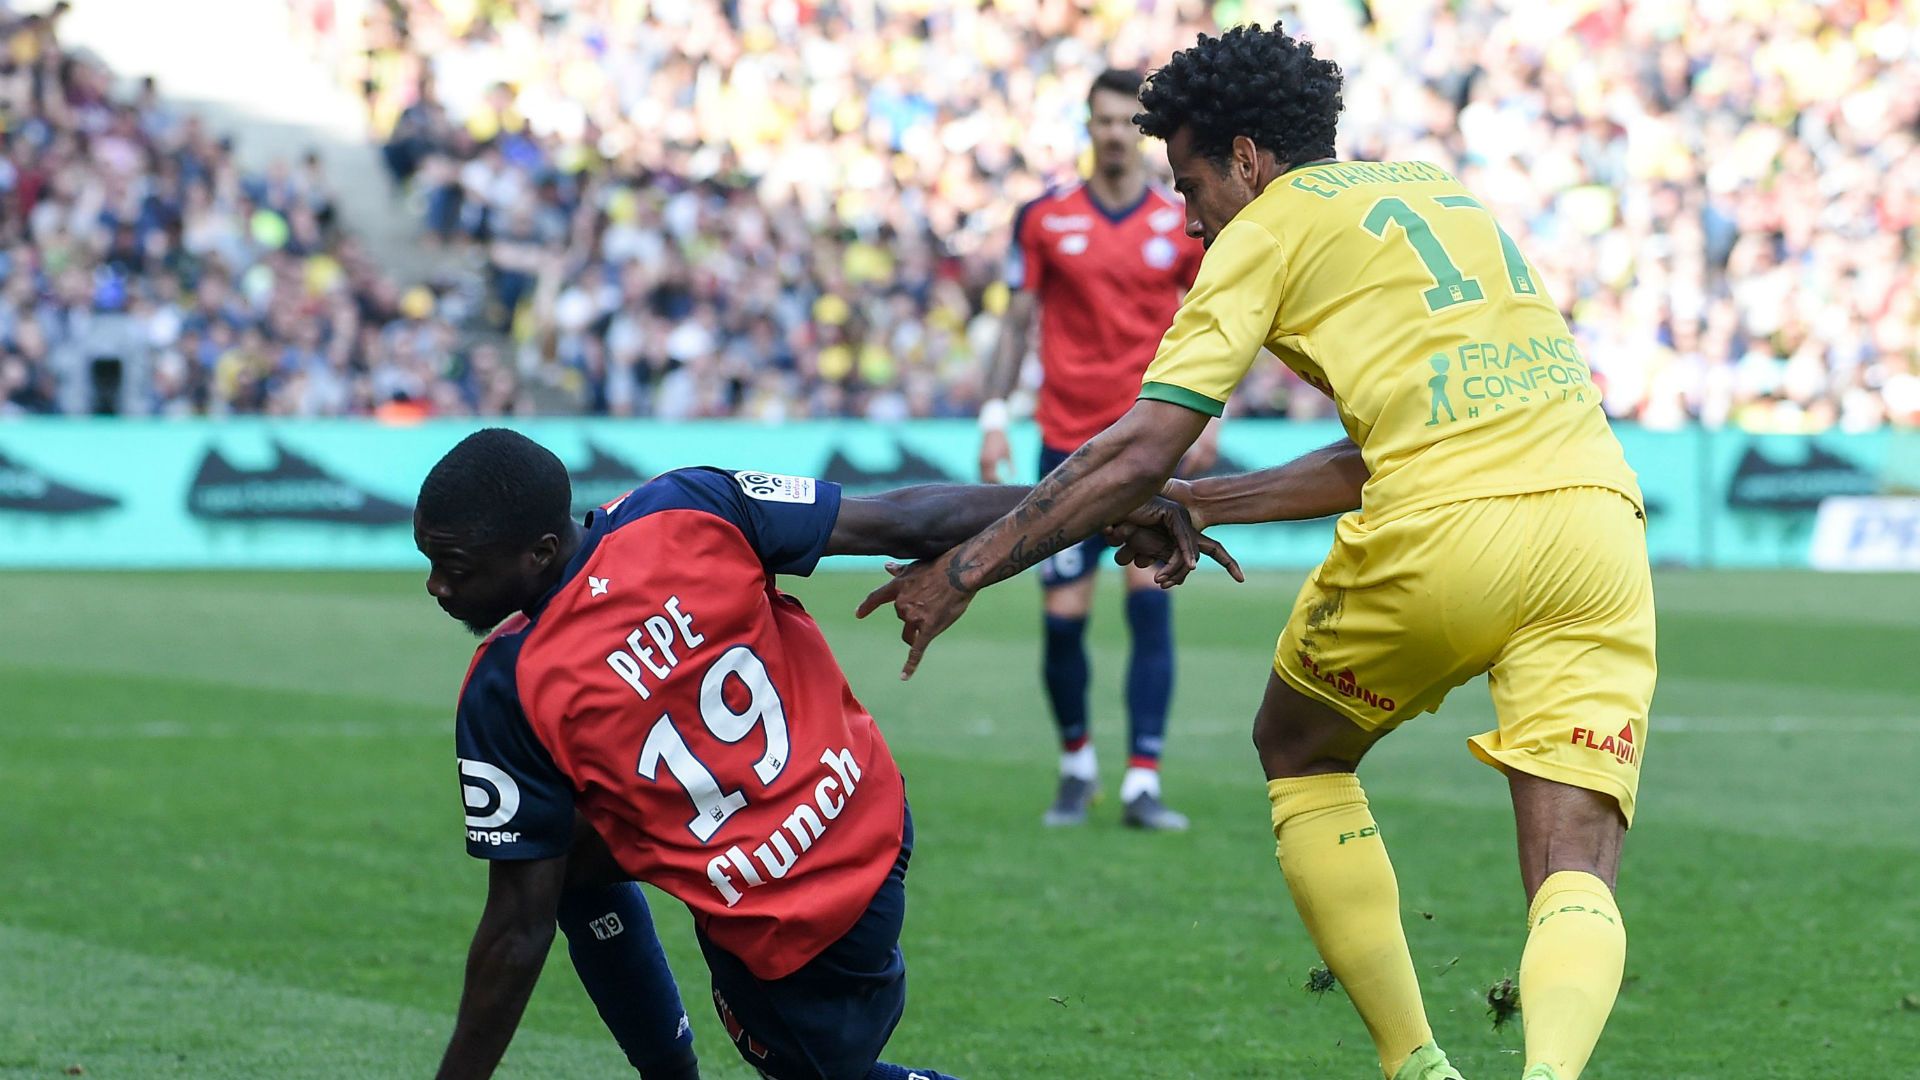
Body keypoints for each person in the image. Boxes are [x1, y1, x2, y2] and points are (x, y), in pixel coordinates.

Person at [863, 25, 1652, 1080]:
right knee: (1576, 858)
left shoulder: (1264, 229)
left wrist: (965, 568)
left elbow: (1144, 440)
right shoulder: (1444, 193)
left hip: (1448, 528)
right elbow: (1382, 443)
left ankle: (1416, 1065)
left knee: (1301, 748)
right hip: (1598, 524)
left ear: (1247, 157)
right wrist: (1203, 502)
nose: (1188, 219)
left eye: (1191, 183)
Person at [415, 428, 1226, 1080]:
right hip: (867, 814)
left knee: (818, 1071)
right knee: (573, 862)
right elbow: (905, 518)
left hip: (786, 922)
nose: (437, 588)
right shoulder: (688, 503)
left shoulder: (505, 683)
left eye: (452, 567)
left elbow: (514, 933)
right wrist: (1093, 504)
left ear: (540, 550)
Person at [981, 67, 1212, 829]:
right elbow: (1017, 320)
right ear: (1088, 127)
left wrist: (1210, 415)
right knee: (1065, 612)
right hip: (1063, 445)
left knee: (1152, 603)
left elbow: (1212, 319)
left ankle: (1143, 777)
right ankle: (1077, 763)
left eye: (1126, 122)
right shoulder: (1043, 217)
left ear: (1140, 131)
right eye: (1103, 120)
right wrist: (992, 414)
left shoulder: (1177, 220)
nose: (1114, 132)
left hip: (1149, 443)